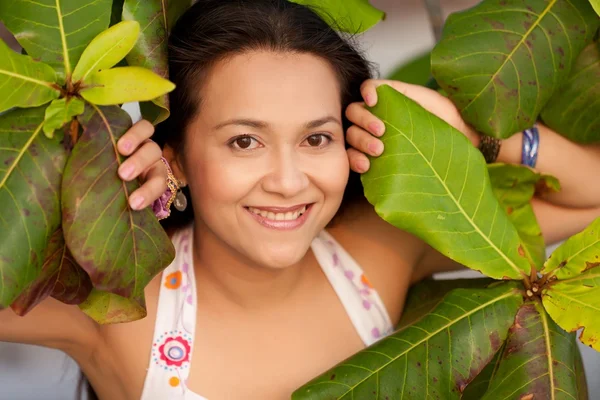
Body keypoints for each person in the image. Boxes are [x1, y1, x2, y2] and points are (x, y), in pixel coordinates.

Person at [2, 0, 600, 399]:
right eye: (244, 141)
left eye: (316, 138)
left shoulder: (377, 253)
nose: (289, 181)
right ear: (175, 157)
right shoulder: (118, 308)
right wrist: (77, 161)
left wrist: (482, 141)